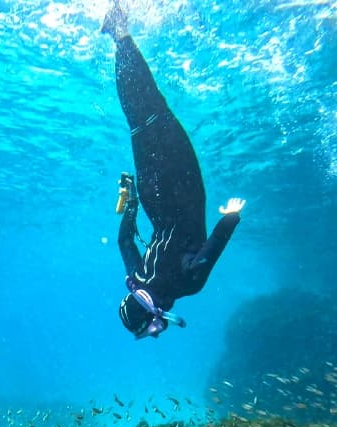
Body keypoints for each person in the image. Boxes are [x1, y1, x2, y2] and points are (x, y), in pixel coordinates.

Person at [101, 2, 245, 339]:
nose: (157, 331)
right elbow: (124, 239)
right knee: (140, 119)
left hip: (183, 189)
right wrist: (133, 200)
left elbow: (208, 254)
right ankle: (120, 37)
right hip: (152, 196)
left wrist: (231, 217)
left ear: (152, 315)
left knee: (157, 114)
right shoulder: (135, 277)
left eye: (151, 328)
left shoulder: (187, 286)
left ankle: (121, 33)